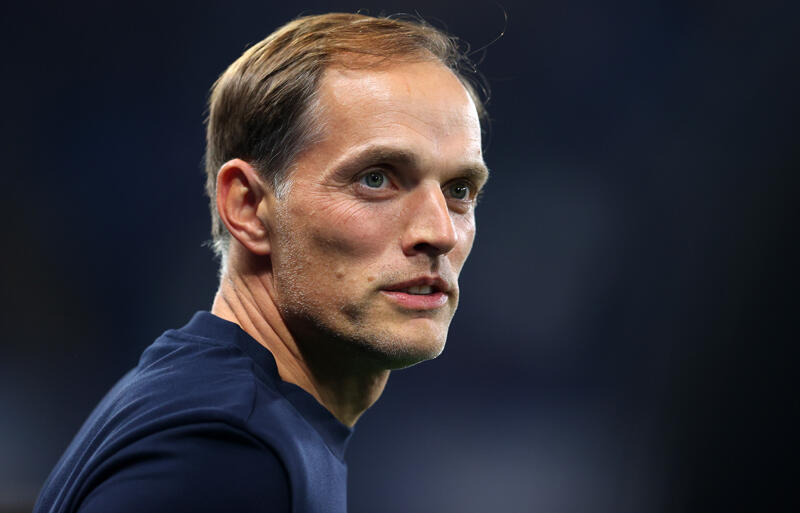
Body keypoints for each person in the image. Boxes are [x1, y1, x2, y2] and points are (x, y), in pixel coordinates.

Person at [34, 12, 489, 513]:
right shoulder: (224, 454)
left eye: (459, 190)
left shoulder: (222, 414)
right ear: (248, 207)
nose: (440, 233)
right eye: (376, 179)